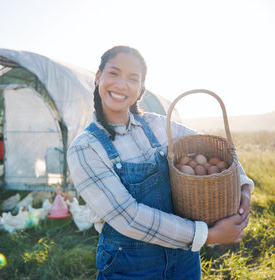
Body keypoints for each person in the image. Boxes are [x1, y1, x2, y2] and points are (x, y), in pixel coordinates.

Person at [66, 45, 254, 280]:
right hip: (131, 265)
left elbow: (219, 150)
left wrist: (243, 188)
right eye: (114, 73)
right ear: (98, 77)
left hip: (184, 258)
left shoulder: (158, 126)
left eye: (133, 79)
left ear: (141, 89)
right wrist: (208, 236)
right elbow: (129, 217)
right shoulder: (85, 148)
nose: (122, 85)